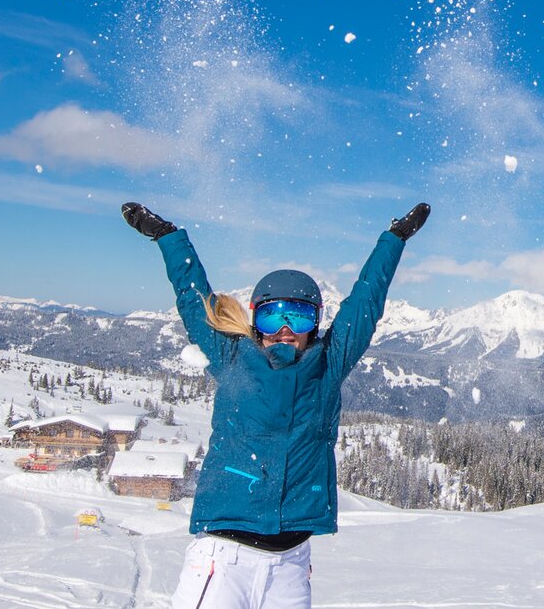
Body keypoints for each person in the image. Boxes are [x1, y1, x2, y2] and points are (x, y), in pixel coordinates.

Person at [122, 200, 430, 609]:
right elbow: (193, 298)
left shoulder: (329, 363)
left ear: (315, 324)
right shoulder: (231, 355)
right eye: (272, 318)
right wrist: (169, 238)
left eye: (299, 318)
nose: (285, 330)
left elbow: (365, 302)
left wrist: (393, 240)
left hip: (290, 565)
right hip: (222, 558)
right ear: (255, 321)